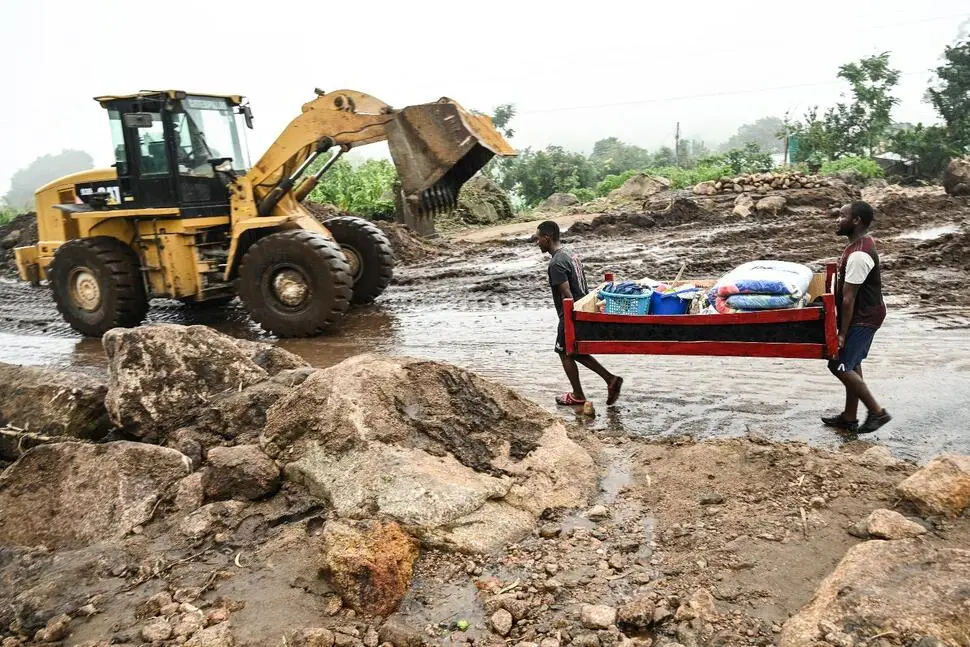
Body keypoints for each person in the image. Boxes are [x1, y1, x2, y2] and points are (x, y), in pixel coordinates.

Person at [536, 220, 623, 407]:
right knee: (573, 351)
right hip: (582, 307)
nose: (537, 243)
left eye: (538, 239)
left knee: (564, 352)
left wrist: (571, 320)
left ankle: (578, 394)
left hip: (571, 314)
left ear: (547, 238)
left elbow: (567, 295)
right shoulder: (570, 254)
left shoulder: (556, 264)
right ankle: (610, 379)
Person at [822, 201, 891, 434]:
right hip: (863, 313)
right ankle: (849, 417)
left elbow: (849, 299)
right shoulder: (856, 245)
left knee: (839, 365)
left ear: (856, 221)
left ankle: (877, 412)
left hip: (864, 317)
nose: (837, 220)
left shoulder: (859, 255)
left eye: (842, 216)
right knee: (852, 364)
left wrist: (841, 334)